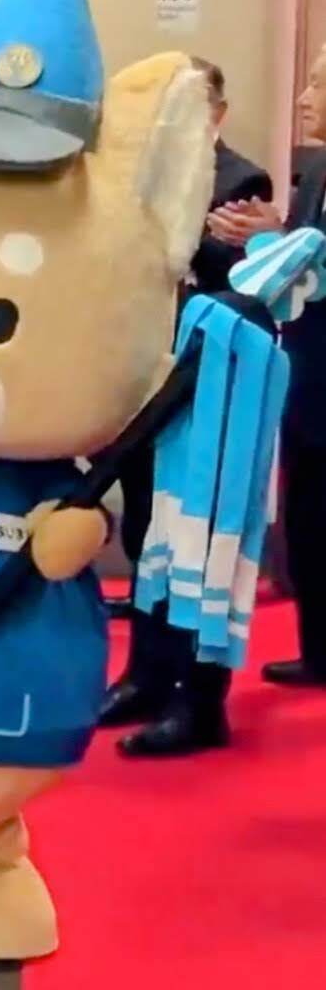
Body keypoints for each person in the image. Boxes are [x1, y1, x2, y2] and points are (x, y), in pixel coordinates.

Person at [100, 58, 273, 754]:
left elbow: (248, 288)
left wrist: (238, 241)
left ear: (217, 113)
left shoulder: (241, 182)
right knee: (148, 534)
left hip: (208, 393)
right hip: (147, 386)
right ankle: (147, 675)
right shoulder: (133, 175)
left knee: (201, 546)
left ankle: (200, 701)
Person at [207, 46, 326, 689]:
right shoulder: (317, 170)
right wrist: (271, 234)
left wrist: (271, 241)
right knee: (308, 519)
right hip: (307, 374)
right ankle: (319, 651)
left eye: (317, 85)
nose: (304, 98)